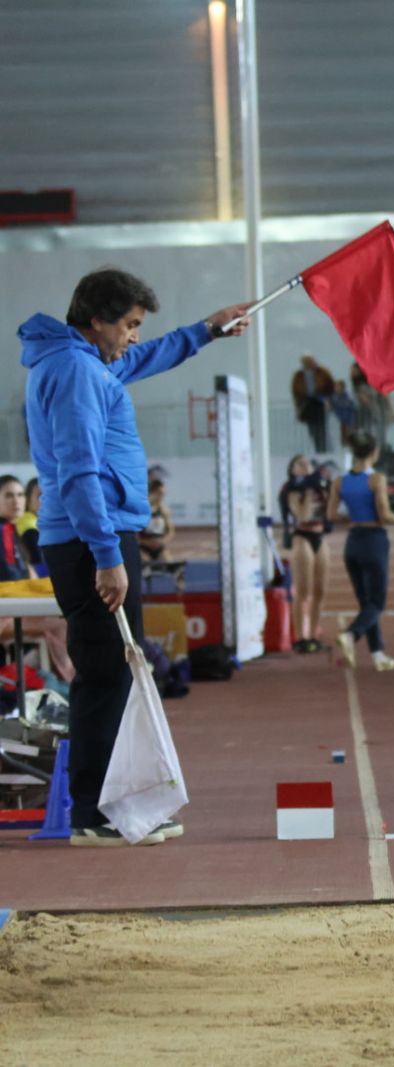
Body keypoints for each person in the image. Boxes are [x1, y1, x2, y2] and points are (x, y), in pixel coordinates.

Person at [20, 266, 250, 846]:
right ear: (96, 322)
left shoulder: (82, 360)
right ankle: (93, 816)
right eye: (128, 325)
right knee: (104, 676)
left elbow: (143, 360)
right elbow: (77, 471)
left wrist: (206, 331)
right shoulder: (75, 371)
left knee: (110, 673)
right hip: (89, 539)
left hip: (90, 536)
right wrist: (106, 555)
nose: (134, 337)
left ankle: (103, 809)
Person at [327, 431, 394, 672]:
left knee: (366, 604)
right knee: (377, 603)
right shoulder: (376, 479)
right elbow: (385, 515)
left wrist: (353, 518)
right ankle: (350, 634)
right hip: (373, 541)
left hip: (353, 542)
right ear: (374, 452)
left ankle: (378, 655)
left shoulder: (340, 481)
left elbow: (331, 515)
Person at [0, 474, 74, 685]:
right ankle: (68, 683)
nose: (16, 501)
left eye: (20, 495)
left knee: (64, 620)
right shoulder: (4, 531)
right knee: (64, 625)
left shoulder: (11, 530)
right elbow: (12, 580)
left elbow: (25, 575)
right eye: (9, 496)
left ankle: (37, 676)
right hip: (6, 614)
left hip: (14, 607)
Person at [282, 455, 331, 654]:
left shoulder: (320, 487)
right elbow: (301, 515)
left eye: (307, 463)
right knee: (303, 592)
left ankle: (312, 635)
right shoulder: (292, 490)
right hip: (302, 537)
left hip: (320, 537)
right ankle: (300, 638)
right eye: (299, 463)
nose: (305, 465)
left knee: (320, 591)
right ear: (292, 469)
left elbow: (331, 511)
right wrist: (308, 494)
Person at [291, 353, 334, 452]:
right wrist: (298, 406)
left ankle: (324, 449)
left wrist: (327, 399)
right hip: (307, 402)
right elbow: (296, 392)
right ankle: (318, 448)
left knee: (322, 428)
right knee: (312, 429)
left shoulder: (322, 372)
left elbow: (330, 386)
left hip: (320, 401)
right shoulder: (299, 376)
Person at [350, 365, 394, 453]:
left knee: (376, 434)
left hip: (374, 413)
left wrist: (390, 410)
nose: (352, 373)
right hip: (367, 414)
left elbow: (380, 396)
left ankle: (377, 450)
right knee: (371, 434)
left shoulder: (365, 385)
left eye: (354, 370)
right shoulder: (358, 385)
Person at [137, 478, 174, 562]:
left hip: (159, 547)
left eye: (163, 494)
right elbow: (134, 534)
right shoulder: (141, 510)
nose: (161, 497)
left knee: (169, 562)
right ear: (151, 492)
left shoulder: (164, 511)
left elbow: (171, 531)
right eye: (159, 494)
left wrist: (163, 541)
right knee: (145, 561)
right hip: (143, 548)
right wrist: (145, 542)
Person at [18, 477, 43, 574]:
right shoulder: (29, 527)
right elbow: (38, 561)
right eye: (40, 496)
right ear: (27, 500)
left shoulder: (39, 521)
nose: (44, 499)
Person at [329, 381, 358, 447]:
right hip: (340, 417)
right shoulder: (334, 396)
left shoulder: (346, 395)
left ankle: (351, 440)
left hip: (348, 417)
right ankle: (346, 441)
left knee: (351, 421)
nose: (336, 388)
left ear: (342, 388)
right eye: (336, 387)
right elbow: (340, 404)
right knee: (345, 427)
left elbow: (351, 404)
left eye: (338, 387)